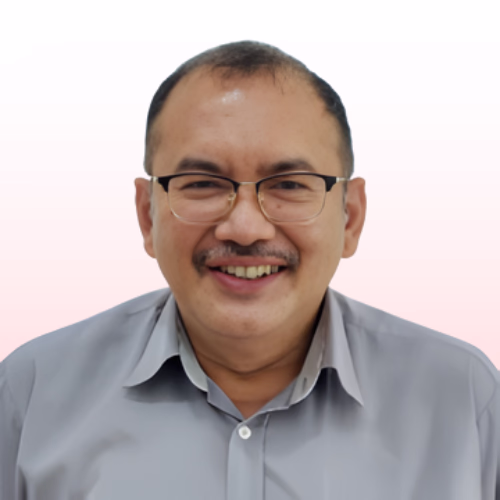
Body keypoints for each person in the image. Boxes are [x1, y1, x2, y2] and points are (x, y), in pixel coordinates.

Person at [1, 40, 498, 500]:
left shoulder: (464, 400)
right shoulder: (31, 394)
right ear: (147, 216)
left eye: (289, 184)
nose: (244, 228)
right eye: (202, 183)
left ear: (350, 217)